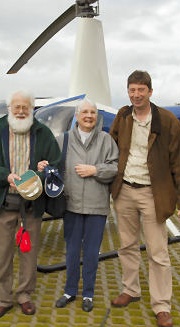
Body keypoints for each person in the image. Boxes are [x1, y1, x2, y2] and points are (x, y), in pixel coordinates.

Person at [109, 71, 180, 327]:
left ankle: (161, 305)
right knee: (127, 246)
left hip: (152, 194)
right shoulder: (122, 116)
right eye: (132, 90)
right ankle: (131, 289)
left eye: (141, 90)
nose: (136, 95)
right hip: (124, 191)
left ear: (150, 92)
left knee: (158, 252)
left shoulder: (166, 120)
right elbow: (110, 149)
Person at [0, 90, 61, 320]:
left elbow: (55, 163)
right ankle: (3, 299)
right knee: (2, 254)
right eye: (17, 107)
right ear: (9, 109)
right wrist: (5, 175)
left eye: (26, 107)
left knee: (29, 254)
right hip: (3, 202)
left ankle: (24, 295)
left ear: (31, 109)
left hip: (31, 206)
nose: (21, 111)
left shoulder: (43, 133)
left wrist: (44, 170)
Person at [54, 98, 118, 312]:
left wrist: (95, 170)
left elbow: (115, 168)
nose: (89, 116)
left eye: (92, 112)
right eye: (85, 112)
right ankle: (70, 291)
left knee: (91, 252)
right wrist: (45, 166)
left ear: (96, 116)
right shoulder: (64, 140)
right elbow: (55, 167)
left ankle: (88, 294)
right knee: (72, 251)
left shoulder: (106, 140)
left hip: (96, 205)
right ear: (77, 116)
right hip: (71, 205)